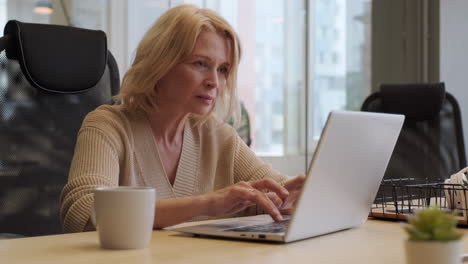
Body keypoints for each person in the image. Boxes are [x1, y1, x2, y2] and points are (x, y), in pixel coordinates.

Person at [60, 4, 305, 233]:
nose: (214, 82)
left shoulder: (215, 134)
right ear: (160, 64)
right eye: (201, 63)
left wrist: (291, 196)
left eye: (222, 69)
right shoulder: (108, 126)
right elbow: (83, 212)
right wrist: (207, 204)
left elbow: (275, 189)